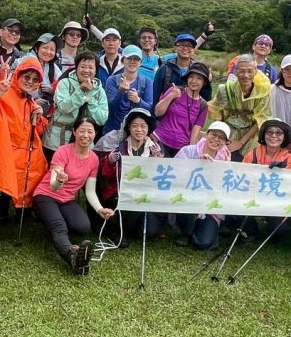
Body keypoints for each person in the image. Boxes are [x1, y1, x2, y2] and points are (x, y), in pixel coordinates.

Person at [32, 117, 107, 275]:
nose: (85, 135)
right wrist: (59, 179)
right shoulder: (63, 151)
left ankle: (54, 221)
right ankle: (72, 257)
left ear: (95, 134)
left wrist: (99, 209)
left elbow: (90, 191)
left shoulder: (94, 159)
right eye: (82, 131)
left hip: (67, 200)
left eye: (90, 131)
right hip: (46, 195)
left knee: (83, 228)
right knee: (59, 227)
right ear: (74, 132)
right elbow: (53, 185)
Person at [0, 56, 49, 216]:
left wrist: (38, 117)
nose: (30, 82)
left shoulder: (29, 100)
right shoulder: (4, 90)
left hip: (22, 149)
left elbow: (36, 130)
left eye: (34, 80)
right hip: (2, 147)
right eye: (26, 77)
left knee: (30, 172)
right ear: (18, 75)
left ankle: (19, 211)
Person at [92, 107, 164, 246]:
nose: (139, 130)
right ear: (128, 128)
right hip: (120, 193)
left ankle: (127, 226)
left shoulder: (154, 148)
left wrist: (157, 160)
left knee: (151, 231)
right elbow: (105, 175)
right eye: (135, 126)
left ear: (148, 129)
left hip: (145, 193)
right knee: (131, 202)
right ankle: (117, 231)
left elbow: (159, 177)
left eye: (143, 126)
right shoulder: (119, 146)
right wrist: (109, 162)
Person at [173, 121, 232, 250]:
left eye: (221, 138)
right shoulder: (188, 151)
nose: (216, 139)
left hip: (210, 206)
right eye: (214, 134)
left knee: (204, 243)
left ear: (226, 142)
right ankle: (186, 233)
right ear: (206, 134)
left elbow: (226, 188)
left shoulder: (226, 158)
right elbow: (175, 174)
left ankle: (207, 229)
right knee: (190, 199)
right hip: (188, 199)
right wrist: (199, 166)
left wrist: (225, 167)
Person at [42, 51, 109, 158]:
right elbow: (64, 107)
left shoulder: (99, 90)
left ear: (96, 70)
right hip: (57, 140)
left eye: (91, 67)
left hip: (85, 142)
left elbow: (102, 119)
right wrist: (81, 92)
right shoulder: (64, 83)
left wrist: (90, 101)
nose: (86, 70)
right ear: (76, 67)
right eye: (83, 66)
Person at [206, 54, 272, 160]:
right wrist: (223, 136)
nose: (246, 75)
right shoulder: (225, 89)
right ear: (236, 72)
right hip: (227, 131)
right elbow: (217, 113)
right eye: (242, 71)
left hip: (251, 134)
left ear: (255, 72)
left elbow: (261, 119)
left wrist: (241, 142)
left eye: (250, 71)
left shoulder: (262, 92)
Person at [153, 60, 210, 157]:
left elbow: (195, 132)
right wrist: (171, 96)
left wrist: (191, 153)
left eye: (199, 78)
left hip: (181, 149)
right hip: (159, 142)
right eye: (191, 77)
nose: (194, 81)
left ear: (204, 82)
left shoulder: (203, 105)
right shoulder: (174, 90)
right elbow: (157, 112)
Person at [153, 32, 214, 104]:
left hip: (191, 110)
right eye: (182, 45)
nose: (185, 48)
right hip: (167, 110)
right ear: (175, 48)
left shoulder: (199, 70)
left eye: (189, 45)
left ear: (194, 50)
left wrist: (208, 82)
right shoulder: (165, 68)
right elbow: (155, 96)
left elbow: (206, 98)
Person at [104, 44, 153, 131]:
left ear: (141, 63)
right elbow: (110, 109)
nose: (132, 61)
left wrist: (138, 100)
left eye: (136, 59)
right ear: (122, 61)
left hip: (136, 132)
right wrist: (120, 92)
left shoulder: (147, 82)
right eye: (129, 58)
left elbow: (150, 109)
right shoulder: (112, 80)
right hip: (113, 131)